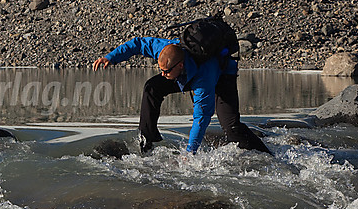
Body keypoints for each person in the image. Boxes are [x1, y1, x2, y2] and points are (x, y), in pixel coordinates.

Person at [93, 36, 271, 155]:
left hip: (223, 74)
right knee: (152, 87)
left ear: (179, 66)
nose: (162, 74)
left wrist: (189, 153)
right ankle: (147, 141)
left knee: (231, 127)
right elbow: (139, 43)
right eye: (160, 69)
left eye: (166, 71)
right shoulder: (165, 52)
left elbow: (201, 117)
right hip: (187, 71)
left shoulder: (203, 79)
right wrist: (111, 57)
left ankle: (266, 155)